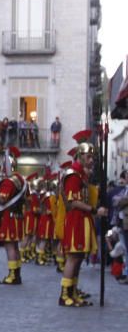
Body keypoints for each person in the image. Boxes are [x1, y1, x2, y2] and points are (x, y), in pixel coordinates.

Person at [59, 131, 107, 307]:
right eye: (88, 156)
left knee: (79, 258)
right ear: (80, 156)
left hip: (83, 220)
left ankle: (73, 291)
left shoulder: (82, 176)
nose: (91, 160)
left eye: (92, 157)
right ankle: (64, 295)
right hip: (76, 220)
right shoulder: (73, 175)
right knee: (73, 257)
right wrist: (95, 210)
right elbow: (74, 201)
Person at [0, 147, 27, 286]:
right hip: (17, 216)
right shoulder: (21, 179)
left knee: (10, 246)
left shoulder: (9, 181)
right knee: (15, 246)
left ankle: (13, 275)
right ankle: (16, 273)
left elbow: (2, 199)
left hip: (9, 217)